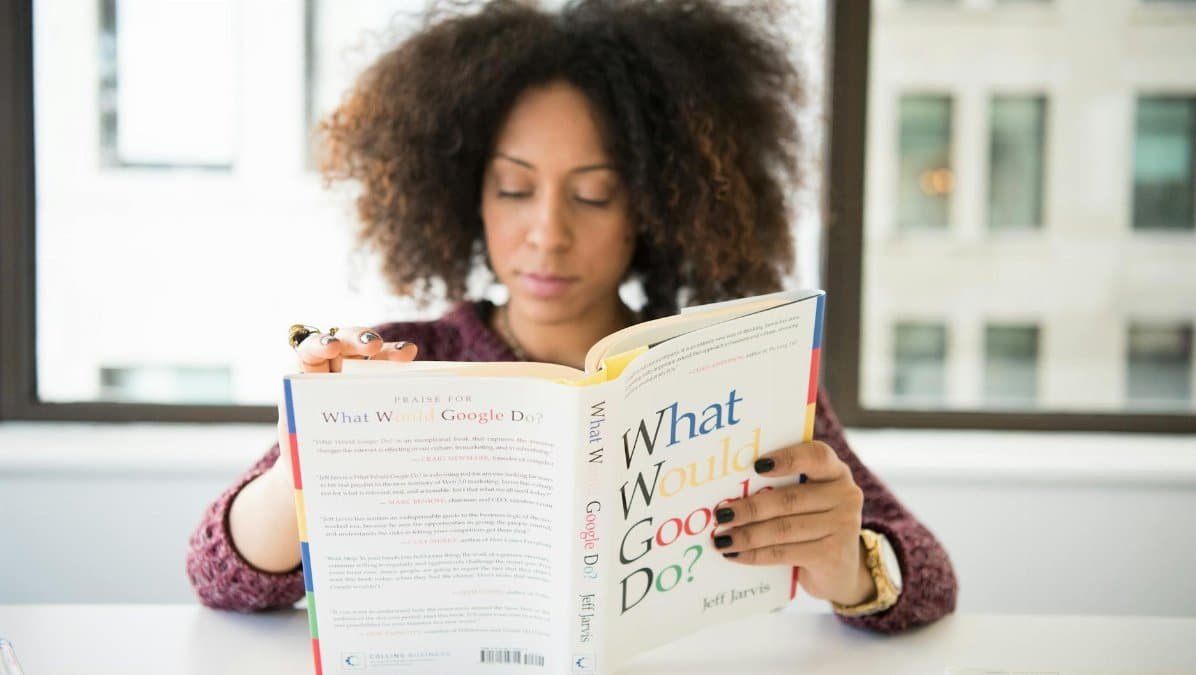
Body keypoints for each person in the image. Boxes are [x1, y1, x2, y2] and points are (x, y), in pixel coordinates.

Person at [187, 0, 957, 633]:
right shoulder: (403, 360)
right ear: (464, 195)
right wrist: (310, 451)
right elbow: (218, 575)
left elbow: (930, 578)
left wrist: (851, 563)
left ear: (655, 209)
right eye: (515, 189)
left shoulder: (743, 371)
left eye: (593, 194)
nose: (548, 232)